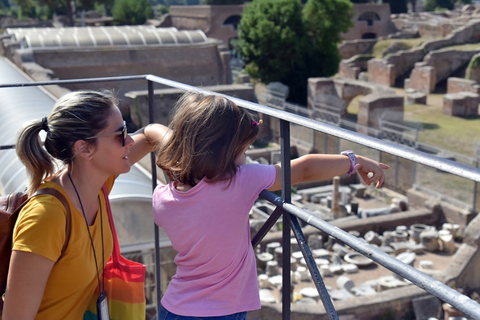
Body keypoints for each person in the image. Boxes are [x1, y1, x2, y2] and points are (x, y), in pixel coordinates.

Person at [152, 91, 390, 319]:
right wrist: (355, 160)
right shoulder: (240, 181)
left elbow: (165, 141)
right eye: (243, 150)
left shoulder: (161, 199)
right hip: (219, 312)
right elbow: (304, 169)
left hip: (172, 307)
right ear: (225, 153)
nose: (245, 158)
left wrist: (159, 138)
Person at [3, 90, 170, 320]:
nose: (129, 140)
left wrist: (174, 143)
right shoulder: (46, 217)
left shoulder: (97, 185)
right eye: (120, 134)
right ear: (84, 149)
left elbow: (149, 135)